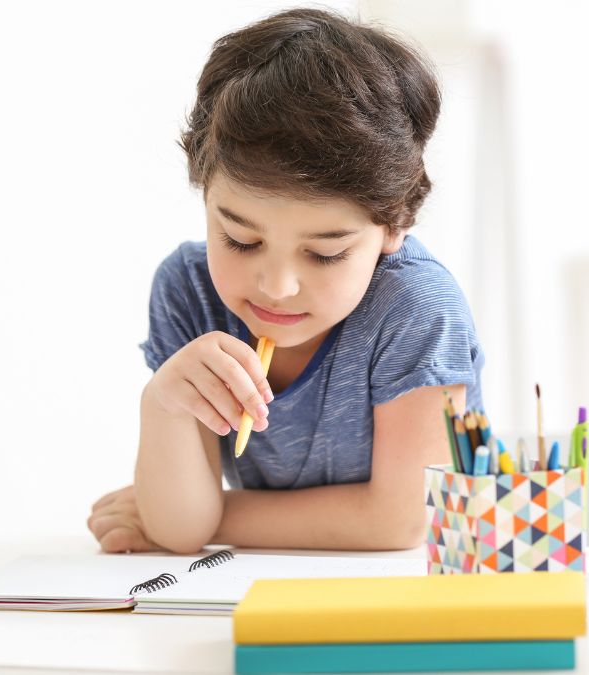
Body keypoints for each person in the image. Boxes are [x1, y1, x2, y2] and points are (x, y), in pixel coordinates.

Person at [87, 7, 484, 554]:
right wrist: (161, 402)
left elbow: (400, 523)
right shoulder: (188, 291)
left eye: (325, 253)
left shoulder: (413, 306)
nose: (276, 287)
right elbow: (179, 533)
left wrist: (216, 515)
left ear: (395, 223)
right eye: (240, 241)